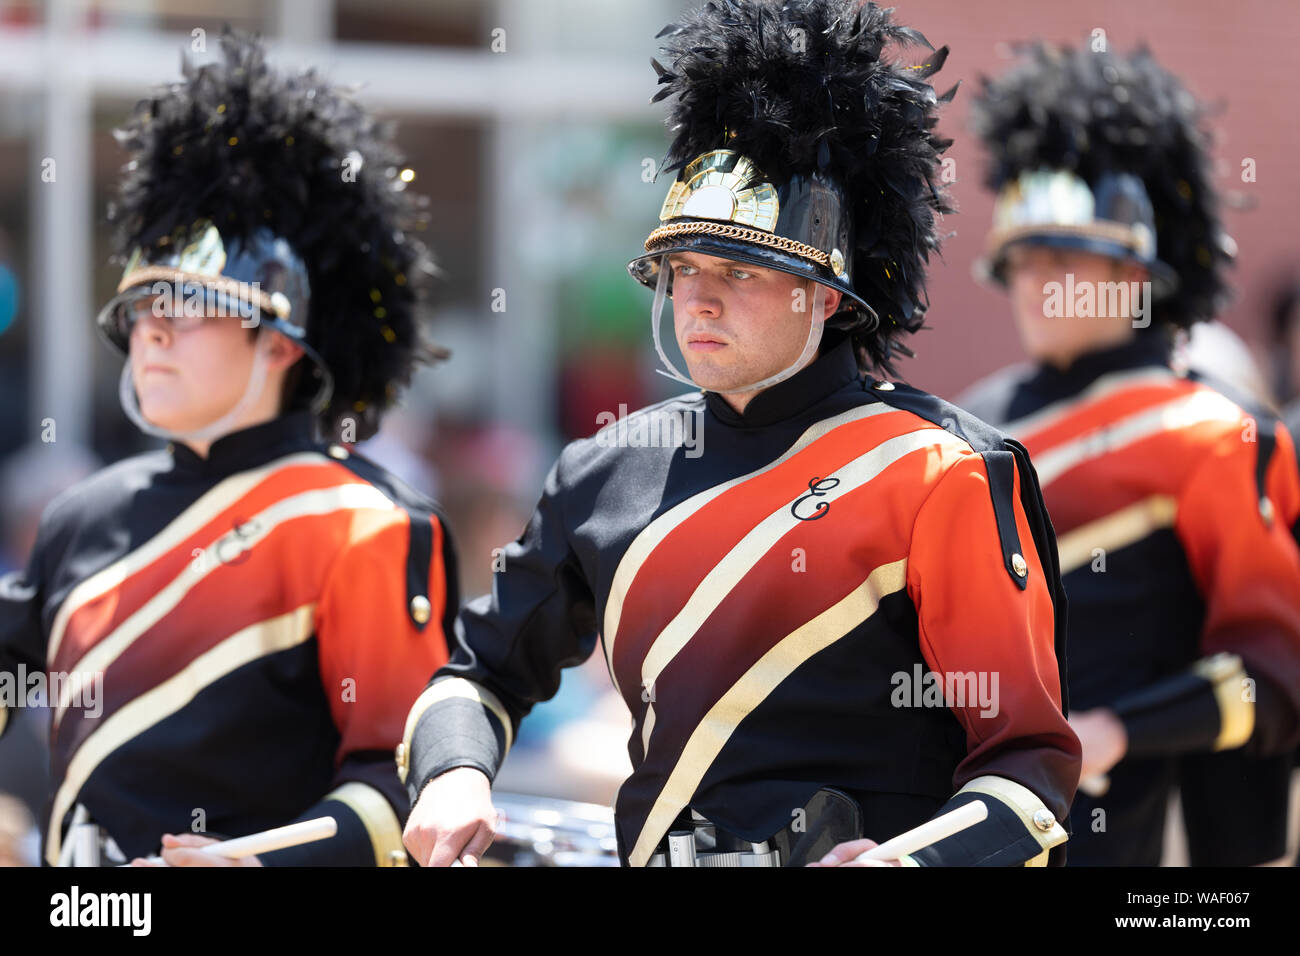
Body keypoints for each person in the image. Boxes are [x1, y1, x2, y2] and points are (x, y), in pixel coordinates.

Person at [401, 0, 1080, 869]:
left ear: (827, 296)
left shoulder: (937, 471)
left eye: (740, 271)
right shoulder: (604, 470)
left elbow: (1030, 767)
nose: (699, 300)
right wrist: (455, 774)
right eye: (682, 269)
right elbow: (476, 678)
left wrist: (912, 863)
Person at [0, 30, 458, 867]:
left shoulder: (364, 523)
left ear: (281, 345)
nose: (155, 332)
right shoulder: (78, 515)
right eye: (141, 309)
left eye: (187, 306)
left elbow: (406, 784)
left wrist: (260, 863)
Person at [959, 43, 1300, 866]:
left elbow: (1276, 675)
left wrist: (1115, 730)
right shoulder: (963, 425)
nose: (1040, 280)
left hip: (1148, 843)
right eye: (1024, 258)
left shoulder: (1218, 431)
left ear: (1136, 273)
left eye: (1067, 257)